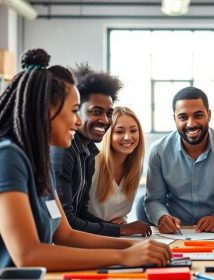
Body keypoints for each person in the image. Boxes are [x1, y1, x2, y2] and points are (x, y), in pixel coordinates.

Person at [0, 48, 171, 270]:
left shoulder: (39, 162)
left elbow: (66, 235)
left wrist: (135, 246)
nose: (77, 122)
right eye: (73, 111)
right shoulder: (8, 156)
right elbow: (27, 255)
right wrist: (123, 257)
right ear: (47, 110)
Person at [51, 64, 150, 237]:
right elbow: (64, 221)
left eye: (109, 113)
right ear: (76, 110)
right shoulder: (64, 150)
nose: (104, 120)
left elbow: (80, 213)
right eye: (96, 112)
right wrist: (120, 231)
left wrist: (118, 229)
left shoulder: (88, 153)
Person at [144, 86, 214, 233]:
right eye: (183, 117)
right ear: (174, 118)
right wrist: (162, 217)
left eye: (198, 115)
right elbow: (154, 200)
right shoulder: (159, 151)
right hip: (176, 231)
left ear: (209, 115)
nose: (191, 124)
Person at [88, 106, 145, 225]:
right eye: (119, 131)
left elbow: (119, 214)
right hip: (90, 234)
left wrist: (122, 220)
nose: (128, 137)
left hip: (116, 235)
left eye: (133, 130)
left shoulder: (136, 168)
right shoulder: (93, 163)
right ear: (108, 134)